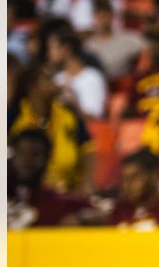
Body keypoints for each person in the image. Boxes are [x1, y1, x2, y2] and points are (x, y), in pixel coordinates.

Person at [8, 63, 96, 195]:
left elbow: (88, 149)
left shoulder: (68, 113)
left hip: (66, 189)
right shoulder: (15, 114)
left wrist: (86, 183)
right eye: (47, 79)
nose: (54, 83)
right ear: (32, 86)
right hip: (24, 189)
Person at [7, 129, 90, 229]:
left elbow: (98, 212)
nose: (27, 160)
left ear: (48, 158)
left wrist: (80, 218)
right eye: (22, 153)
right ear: (13, 155)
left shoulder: (56, 201)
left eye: (35, 154)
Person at [85, 0, 147, 80]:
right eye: (99, 15)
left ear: (112, 16)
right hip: (99, 84)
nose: (103, 18)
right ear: (94, 17)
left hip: (123, 84)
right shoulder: (88, 46)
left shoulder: (128, 38)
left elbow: (147, 49)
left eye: (105, 15)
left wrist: (140, 71)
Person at [53, 34, 109, 120]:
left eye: (53, 48)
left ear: (66, 49)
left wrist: (73, 104)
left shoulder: (92, 77)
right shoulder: (57, 78)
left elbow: (94, 118)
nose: (49, 53)